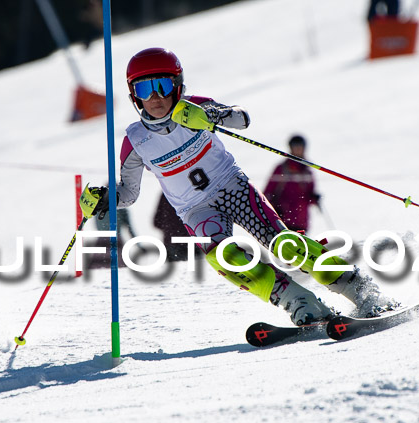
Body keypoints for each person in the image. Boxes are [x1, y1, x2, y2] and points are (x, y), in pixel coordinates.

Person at [79, 47, 396, 325]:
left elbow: (242, 119)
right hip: (195, 209)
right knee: (225, 258)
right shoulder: (135, 141)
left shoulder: (192, 108)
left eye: (161, 85)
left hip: (232, 188)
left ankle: (357, 287)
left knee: (285, 245)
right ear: (134, 95)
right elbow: (129, 194)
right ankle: (298, 301)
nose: (155, 97)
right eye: (144, 89)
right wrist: (104, 199)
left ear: (177, 86)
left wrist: (211, 114)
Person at [263, 134, 320, 233]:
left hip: (302, 222)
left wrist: (315, 198)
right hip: (282, 221)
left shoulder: (307, 171)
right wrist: (273, 210)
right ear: (290, 148)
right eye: (295, 146)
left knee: (301, 248)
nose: (298, 149)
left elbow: (309, 197)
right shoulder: (281, 169)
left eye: (300, 146)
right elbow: (267, 194)